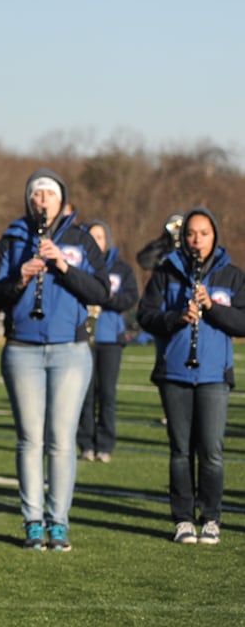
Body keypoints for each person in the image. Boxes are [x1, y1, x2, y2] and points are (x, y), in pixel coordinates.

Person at [0, 169, 110, 552]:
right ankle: (33, 520)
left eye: (49, 195)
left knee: (61, 439)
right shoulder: (13, 238)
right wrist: (19, 279)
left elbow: (101, 291)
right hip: (22, 350)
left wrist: (65, 267)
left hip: (70, 351)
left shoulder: (81, 240)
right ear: (29, 200)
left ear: (61, 200)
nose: (42, 201)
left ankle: (59, 521)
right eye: (36, 195)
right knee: (30, 439)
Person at [137, 208, 245, 545]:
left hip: (214, 374)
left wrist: (212, 308)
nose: (197, 240)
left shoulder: (232, 275)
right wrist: (176, 318)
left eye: (204, 233)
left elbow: (242, 323)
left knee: (211, 450)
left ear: (215, 237)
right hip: (175, 372)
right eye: (191, 234)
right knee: (180, 450)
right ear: (183, 238)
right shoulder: (166, 271)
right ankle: (183, 518)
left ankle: (211, 517)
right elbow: (145, 316)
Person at [77, 220, 139, 463]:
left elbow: (130, 297)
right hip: (84, 337)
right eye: (91, 237)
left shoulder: (121, 269)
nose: (96, 242)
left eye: (100, 237)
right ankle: (86, 443)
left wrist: (104, 297)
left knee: (107, 394)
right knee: (86, 393)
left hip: (110, 340)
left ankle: (105, 444)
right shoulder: (79, 266)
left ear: (107, 240)